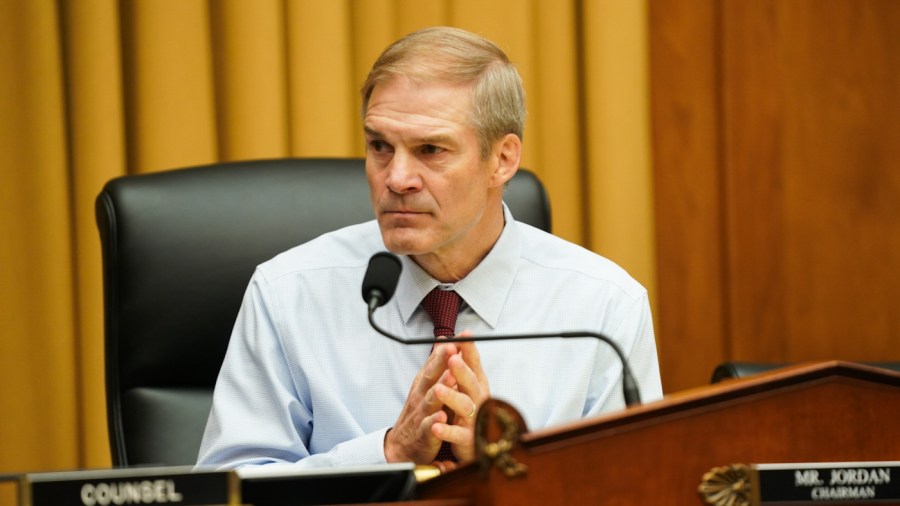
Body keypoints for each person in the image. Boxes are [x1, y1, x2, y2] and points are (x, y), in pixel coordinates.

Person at [196, 26, 662, 472]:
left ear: (502, 159)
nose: (396, 179)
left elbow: (634, 489)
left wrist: (511, 470)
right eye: (380, 146)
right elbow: (229, 487)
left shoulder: (604, 308)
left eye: (431, 150)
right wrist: (388, 453)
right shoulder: (288, 293)